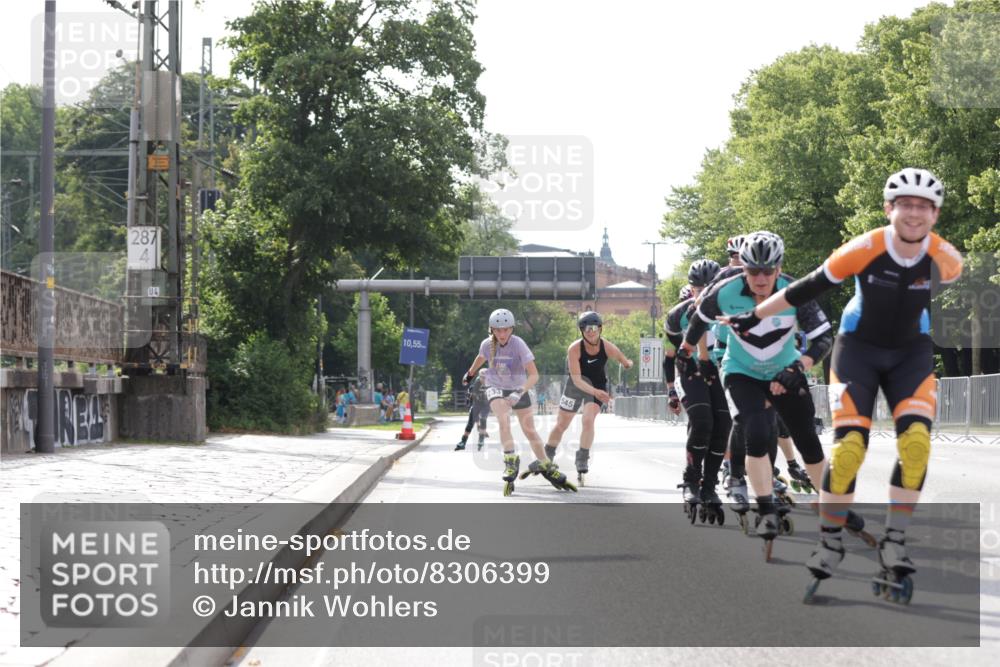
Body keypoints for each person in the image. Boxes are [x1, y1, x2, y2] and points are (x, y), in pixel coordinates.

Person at [727, 168, 962, 600]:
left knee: (916, 446)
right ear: (889, 209)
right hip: (857, 352)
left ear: (935, 213)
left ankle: (894, 541)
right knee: (850, 449)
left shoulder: (948, 259)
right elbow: (804, 288)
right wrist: (755, 315)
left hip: (911, 355)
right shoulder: (864, 248)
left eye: (924, 206)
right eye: (905, 205)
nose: (914, 214)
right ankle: (830, 541)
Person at [684, 231, 834, 556]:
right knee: (754, 428)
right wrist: (685, 352)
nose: (761, 278)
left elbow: (824, 337)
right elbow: (698, 322)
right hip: (742, 370)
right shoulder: (724, 292)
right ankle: (765, 509)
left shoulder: (795, 292)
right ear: (744, 270)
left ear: (779, 269)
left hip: (786, 370)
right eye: (754, 271)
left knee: (806, 436)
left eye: (768, 271)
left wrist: (801, 365)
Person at [463, 308, 576, 495]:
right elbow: (480, 358)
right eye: (498, 330)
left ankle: (546, 463)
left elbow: (534, 375)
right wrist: (470, 373)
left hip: (518, 387)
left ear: (512, 329)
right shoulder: (486, 344)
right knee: (503, 419)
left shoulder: (518, 344)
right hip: (495, 386)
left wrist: (519, 391)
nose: (502, 334)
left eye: (506, 330)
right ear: (491, 330)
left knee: (529, 429)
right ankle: (510, 460)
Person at [664, 259, 730, 524]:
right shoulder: (675, 316)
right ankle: (691, 479)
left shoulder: (732, 307)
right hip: (690, 372)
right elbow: (670, 357)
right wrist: (671, 390)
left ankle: (710, 484)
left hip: (721, 370)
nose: (703, 293)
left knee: (723, 425)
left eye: (709, 288)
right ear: (690, 290)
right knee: (702, 420)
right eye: (697, 288)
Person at [543, 311, 633, 486]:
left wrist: (628, 364)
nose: (590, 332)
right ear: (582, 330)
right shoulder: (575, 349)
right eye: (586, 329)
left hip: (598, 386)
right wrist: (594, 391)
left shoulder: (607, 347)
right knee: (562, 424)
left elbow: (623, 360)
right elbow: (577, 379)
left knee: (588, 420)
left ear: (600, 329)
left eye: (594, 328)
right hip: (575, 386)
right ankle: (548, 453)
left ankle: (582, 456)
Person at [456, 369, 490, 451]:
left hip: (485, 405)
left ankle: (481, 439)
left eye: (486, 377)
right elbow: (470, 398)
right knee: (470, 424)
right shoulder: (475, 385)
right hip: (476, 405)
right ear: (479, 377)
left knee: (483, 419)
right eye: (482, 377)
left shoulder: (491, 385)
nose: (484, 379)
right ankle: (463, 442)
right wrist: (470, 399)